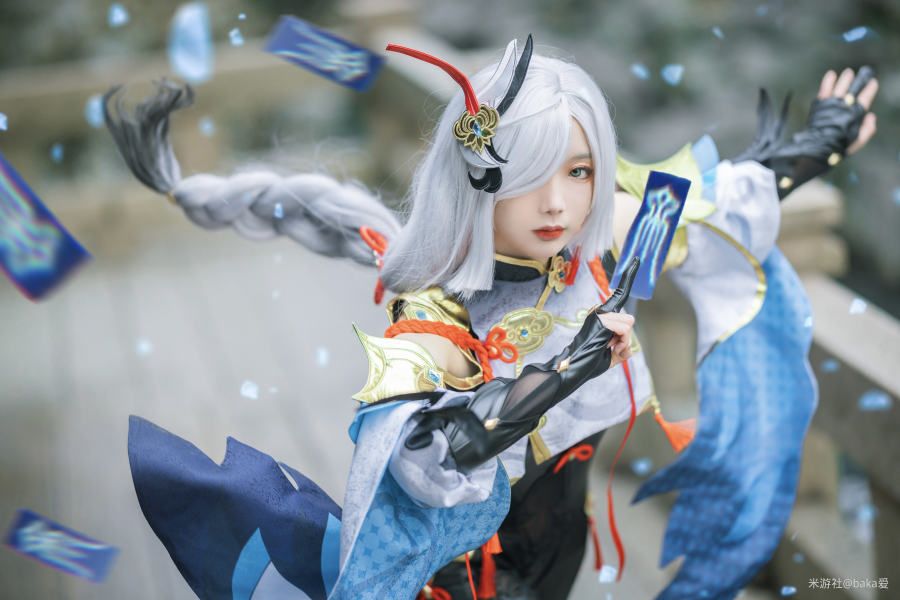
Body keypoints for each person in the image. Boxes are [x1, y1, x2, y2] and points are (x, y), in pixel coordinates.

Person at [104, 33, 878, 599]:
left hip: (560, 542)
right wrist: (565, 371)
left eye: (579, 171)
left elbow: (712, 197)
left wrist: (823, 140)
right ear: (476, 182)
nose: (557, 204)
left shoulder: (598, 237)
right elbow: (428, 454)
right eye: (528, 178)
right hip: (467, 567)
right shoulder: (438, 304)